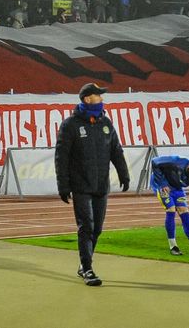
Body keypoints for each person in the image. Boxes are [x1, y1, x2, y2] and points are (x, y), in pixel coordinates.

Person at [55, 83, 130, 286]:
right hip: (81, 185)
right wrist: (63, 185)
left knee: (97, 228)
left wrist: (124, 173)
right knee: (86, 226)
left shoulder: (106, 122)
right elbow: (61, 157)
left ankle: (83, 264)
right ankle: (87, 268)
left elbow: (116, 150)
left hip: (101, 185)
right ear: (87, 99)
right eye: (98, 95)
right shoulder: (70, 125)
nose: (102, 98)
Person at [150, 155, 189, 256]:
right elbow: (155, 161)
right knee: (171, 209)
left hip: (176, 187)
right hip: (160, 183)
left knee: (183, 210)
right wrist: (163, 183)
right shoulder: (177, 162)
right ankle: (173, 246)